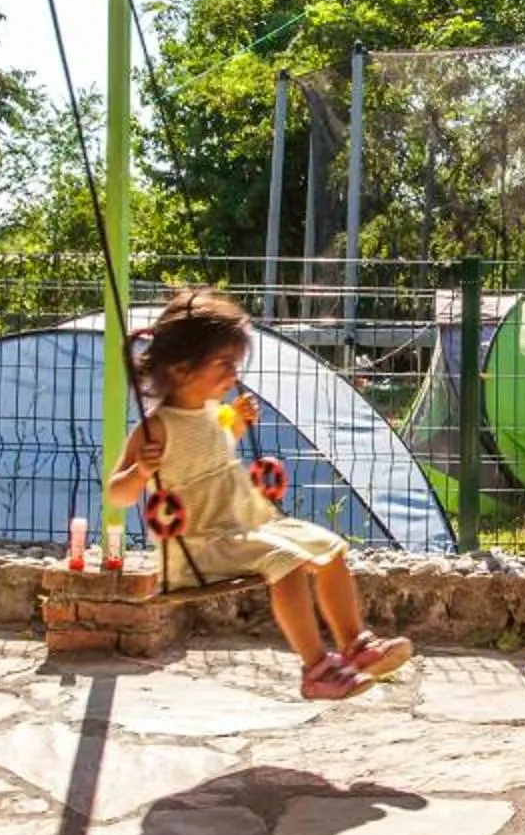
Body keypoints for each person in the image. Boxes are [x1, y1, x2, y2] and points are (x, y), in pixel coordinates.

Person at [108, 287, 412, 701]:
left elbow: (213, 453)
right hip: (202, 545)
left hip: (246, 526)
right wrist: (142, 469)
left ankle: (354, 645)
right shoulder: (156, 427)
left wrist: (238, 427)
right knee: (285, 561)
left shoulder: (215, 412)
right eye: (223, 364)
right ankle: (316, 668)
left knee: (329, 547)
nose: (233, 375)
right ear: (181, 369)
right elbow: (119, 494)